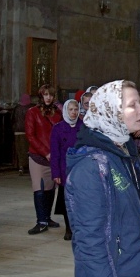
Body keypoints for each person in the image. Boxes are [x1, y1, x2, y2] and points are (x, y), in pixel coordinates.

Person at [65, 80, 140, 277]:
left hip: (139, 270)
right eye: (133, 106)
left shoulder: (126, 152)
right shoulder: (92, 165)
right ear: (110, 111)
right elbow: (89, 236)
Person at [25, 84, 63, 235]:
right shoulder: (32, 112)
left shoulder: (58, 113)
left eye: (51, 95)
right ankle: (40, 221)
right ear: (41, 96)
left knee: (50, 188)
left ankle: (47, 217)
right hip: (38, 156)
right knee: (39, 188)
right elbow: (30, 135)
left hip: (54, 156)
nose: (48, 97)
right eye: (45, 94)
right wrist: (45, 152)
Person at [50, 99, 83, 241]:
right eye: (70, 109)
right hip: (65, 169)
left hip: (81, 168)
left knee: (81, 200)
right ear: (65, 111)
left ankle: (81, 228)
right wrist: (56, 173)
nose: (74, 112)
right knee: (66, 201)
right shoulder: (58, 128)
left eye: (76, 109)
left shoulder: (83, 127)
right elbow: (55, 152)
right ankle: (69, 228)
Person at [13, 94, 34, 174]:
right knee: (27, 149)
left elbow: (13, 119)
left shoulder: (16, 108)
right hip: (26, 131)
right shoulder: (30, 108)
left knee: (19, 150)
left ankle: (20, 166)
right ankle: (27, 166)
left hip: (17, 131)